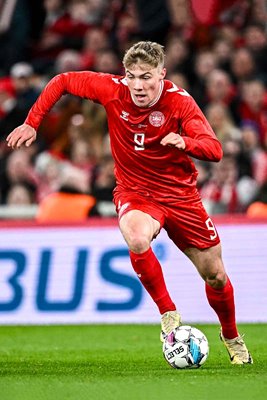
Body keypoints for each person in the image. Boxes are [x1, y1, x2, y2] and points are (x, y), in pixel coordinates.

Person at [6, 41, 252, 365]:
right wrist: (32, 122)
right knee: (136, 237)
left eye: (146, 77)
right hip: (135, 192)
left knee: (215, 275)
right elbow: (62, 81)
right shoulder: (112, 89)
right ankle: (168, 313)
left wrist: (186, 141)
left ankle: (232, 337)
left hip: (180, 196)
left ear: (162, 74)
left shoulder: (180, 103)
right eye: (132, 76)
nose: (138, 85)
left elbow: (214, 149)